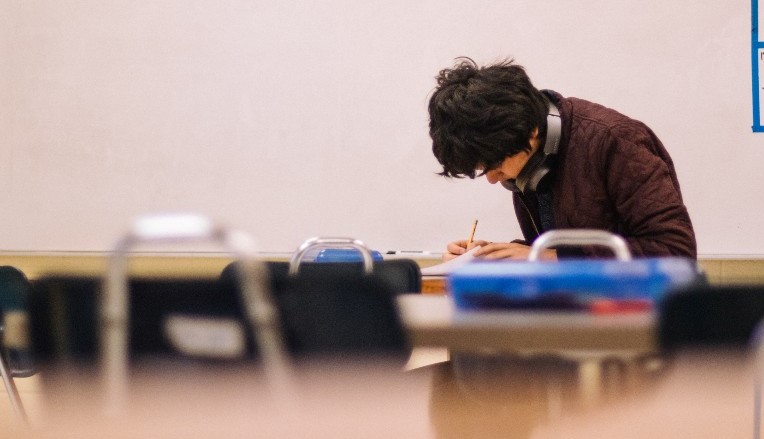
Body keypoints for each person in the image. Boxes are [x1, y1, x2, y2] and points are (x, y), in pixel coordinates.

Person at [428, 58, 696, 261]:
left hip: (633, 321)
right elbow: (564, 247)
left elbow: (675, 251)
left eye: (495, 165)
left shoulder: (616, 140)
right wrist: (495, 256)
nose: (492, 179)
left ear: (531, 132)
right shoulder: (531, 158)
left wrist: (549, 258)